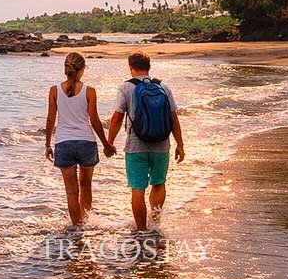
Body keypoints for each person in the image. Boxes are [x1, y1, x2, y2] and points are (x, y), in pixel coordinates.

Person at [106, 50, 185, 232]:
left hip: (136, 146)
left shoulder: (126, 88)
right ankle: (155, 225)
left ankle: (142, 231)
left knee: (138, 189)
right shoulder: (163, 87)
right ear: (149, 67)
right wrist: (180, 144)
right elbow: (173, 118)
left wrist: (109, 142)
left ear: (130, 67)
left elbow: (117, 118)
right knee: (158, 183)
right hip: (161, 144)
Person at [45, 52, 115, 228]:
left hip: (63, 143)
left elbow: (50, 120)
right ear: (82, 69)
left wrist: (47, 144)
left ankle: (76, 230)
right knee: (86, 186)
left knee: (71, 191)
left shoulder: (54, 90)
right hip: (86, 143)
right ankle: (86, 224)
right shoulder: (89, 91)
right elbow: (95, 121)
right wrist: (106, 144)